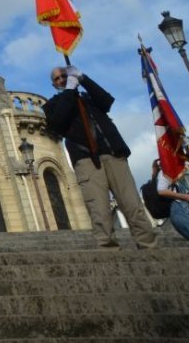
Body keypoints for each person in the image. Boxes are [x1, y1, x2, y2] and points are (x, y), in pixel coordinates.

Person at [43, 65, 156, 249]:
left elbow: (107, 101)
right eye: (57, 79)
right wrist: (70, 90)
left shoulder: (89, 98)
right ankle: (109, 249)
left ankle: (148, 246)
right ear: (54, 85)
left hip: (113, 154)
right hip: (86, 160)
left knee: (132, 204)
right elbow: (57, 122)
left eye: (65, 75)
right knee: (98, 208)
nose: (62, 79)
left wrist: (84, 79)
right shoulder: (53, 105)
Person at [150, 158, 189, 250]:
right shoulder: (165, 173)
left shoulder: (166, 174)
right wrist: (186, 197)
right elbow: (161, 191)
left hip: (182, 211)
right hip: (182, 211)